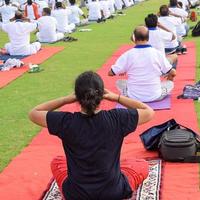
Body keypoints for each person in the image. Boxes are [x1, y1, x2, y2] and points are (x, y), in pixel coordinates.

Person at [29, 71, 154, 200]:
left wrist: (65, 100)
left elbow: (34, 113)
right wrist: (116, 97)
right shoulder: (117, 118)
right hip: (113, 192)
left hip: (76, 194)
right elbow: (148, 112)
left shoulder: (66, 122)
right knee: (141, 165)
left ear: (77, 97)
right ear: (101, 95)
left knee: (57, 162)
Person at [108, 26, 176, 103]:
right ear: (148, 38)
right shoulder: (157, 53)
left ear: (134, 38)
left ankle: (131, 94)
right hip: (155, 95)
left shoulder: (127, 54)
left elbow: (111, 73)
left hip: (133, 97)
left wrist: (125, 69)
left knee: (119, 82)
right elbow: (173, 72)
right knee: (170, 84)